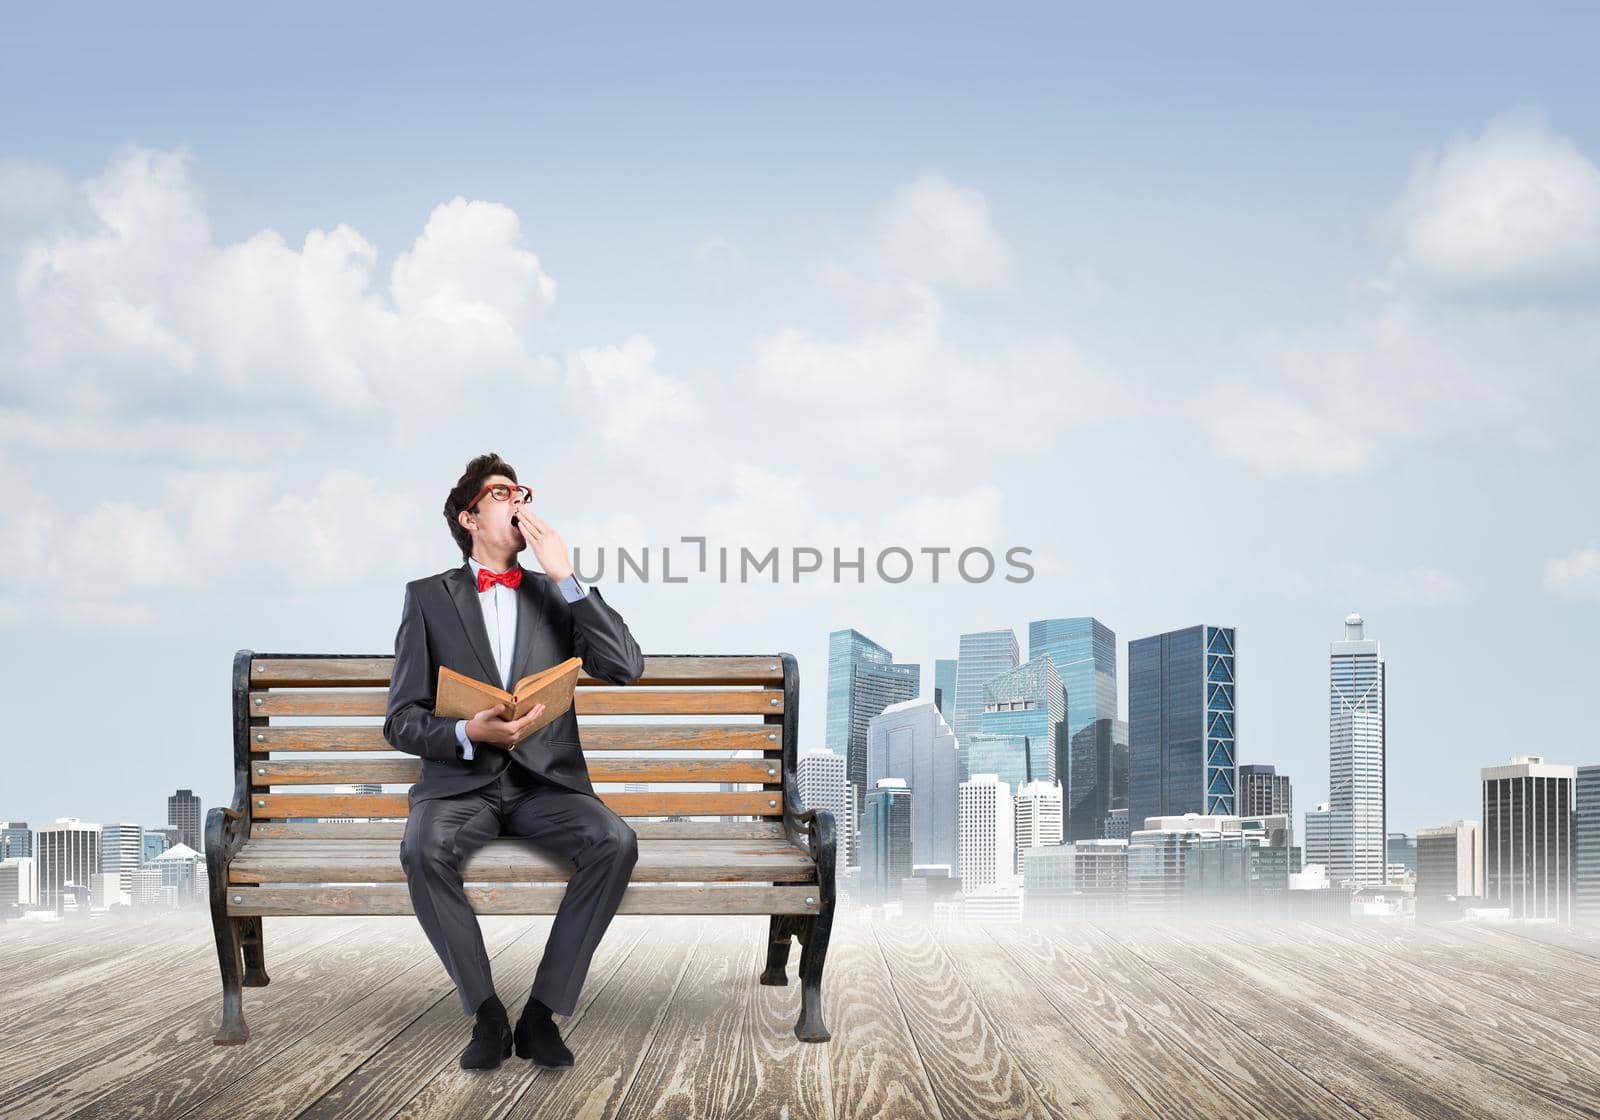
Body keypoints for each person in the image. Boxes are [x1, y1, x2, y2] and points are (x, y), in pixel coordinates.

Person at [383, 451, 646, 1071]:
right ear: (469, 517)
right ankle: (486, 1013)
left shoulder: (557, 594)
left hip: (544, 785)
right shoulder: (427, 598)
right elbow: (400, 719)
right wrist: (467, 731)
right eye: (503, 493)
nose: (518, 502)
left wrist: (568, 578)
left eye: (522, 492)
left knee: (615, 841)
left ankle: (541, 1014)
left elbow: (625, 667)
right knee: (421, 850)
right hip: (460, 786)